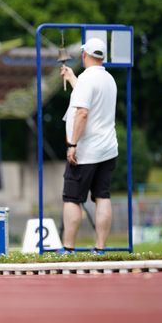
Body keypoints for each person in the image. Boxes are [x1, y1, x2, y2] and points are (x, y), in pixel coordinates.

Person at [59, 38, 118, 255]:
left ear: (85, 55)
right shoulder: (109, 79)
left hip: (85, 151)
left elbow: (83, 112)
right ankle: (100, 248)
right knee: (102, 196)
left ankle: (68, 247)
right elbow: (89, 98)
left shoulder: (86, 79)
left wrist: (72, 144)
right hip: (108, 149)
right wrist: (73, 79)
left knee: (72, 198)